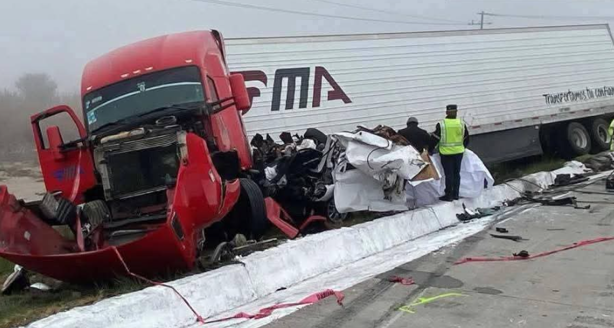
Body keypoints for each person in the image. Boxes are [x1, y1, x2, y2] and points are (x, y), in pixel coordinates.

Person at [432, 104, 470, 201]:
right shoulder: (461, 124)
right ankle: (456, 194)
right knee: (456, 174)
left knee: (449, 174)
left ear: (446, 112)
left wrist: (430, 150)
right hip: (458, 153)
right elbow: (466, 138)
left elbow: (435, 138)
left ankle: (449, 195)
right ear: (456, 112)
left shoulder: (442, 124)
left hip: (446, 153)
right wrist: (462, 147)